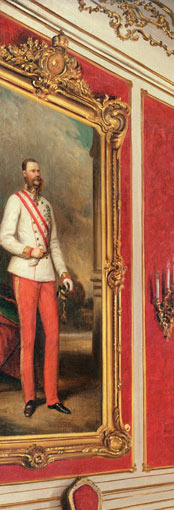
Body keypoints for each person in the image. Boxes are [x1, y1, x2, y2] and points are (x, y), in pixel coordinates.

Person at [0, 158, 74, 417]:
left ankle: (52, 397)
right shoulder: (15, 201)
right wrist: (29, 250)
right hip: (24, 273)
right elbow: (5, 237)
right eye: (32, 171)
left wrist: (63, 272)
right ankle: (30, 398)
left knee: (53, 336)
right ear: (23, 174)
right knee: (29, 338)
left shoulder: (46, 205)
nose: (36, 174)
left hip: (46, 276)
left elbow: (53, 245)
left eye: (39, 171)